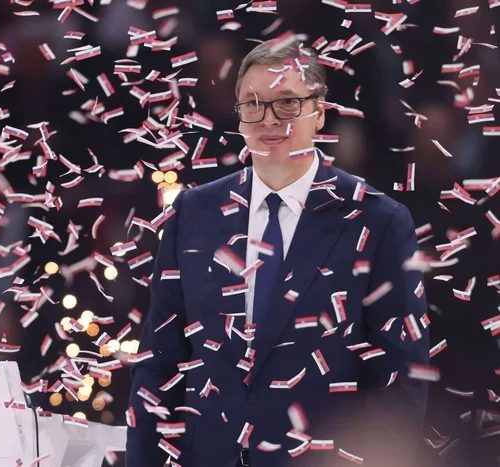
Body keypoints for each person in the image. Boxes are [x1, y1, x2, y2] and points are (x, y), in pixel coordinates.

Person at [126, 39, 430, 467]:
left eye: (287, 103)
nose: (269, 119)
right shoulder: (193, 213)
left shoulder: (377, 221)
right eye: (253, 104)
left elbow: (399, 381)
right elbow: (159, 362)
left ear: (318, 111)